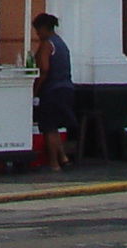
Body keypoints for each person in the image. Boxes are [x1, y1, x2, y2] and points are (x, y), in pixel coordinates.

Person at [31, 13, 74, 171]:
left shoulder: (47, 44)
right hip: (66, 88)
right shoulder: (61, 43)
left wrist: (35, 91)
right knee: (55, 126)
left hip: (52, 90)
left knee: (48, 127)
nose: (37, 34)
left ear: (43, 28)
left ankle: (54, 163)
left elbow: (44, 70)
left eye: (37, 30)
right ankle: (63, 157)